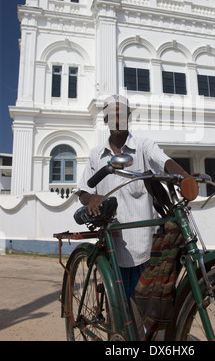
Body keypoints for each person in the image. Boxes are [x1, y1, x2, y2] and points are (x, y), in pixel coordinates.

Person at [75, 94, 191, 300]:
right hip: (113, 245)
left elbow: (165, 161)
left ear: (129, 118)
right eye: (111, 115)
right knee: (119, 311)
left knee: (150, 307)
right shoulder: (96, 155)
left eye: (121, 115)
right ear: (104, 121)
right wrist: (91, 198)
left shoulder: (144, 146)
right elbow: (83, 190)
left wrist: (185, 177)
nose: (117, 119)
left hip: (145, 246)